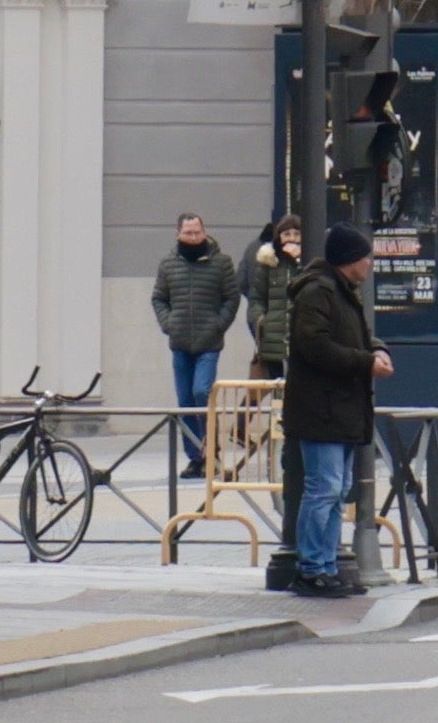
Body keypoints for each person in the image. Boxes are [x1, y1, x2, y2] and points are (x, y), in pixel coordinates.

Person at [284, 221, 393, 596]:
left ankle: (326, 564)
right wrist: (365, 362)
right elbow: (315, 346)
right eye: (367, 258)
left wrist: (377, 349)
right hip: (321, 409)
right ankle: (312, 566)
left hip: (338, 409)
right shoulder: (319, 293)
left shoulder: (342, 292)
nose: (370, 264)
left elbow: (356, 336)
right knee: (324, 489)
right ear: (351, 260)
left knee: (336, 489)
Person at [150, 212, 243, 475]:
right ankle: (195, 456)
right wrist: (168, 323)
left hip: (209, 343)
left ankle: (210, 447)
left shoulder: (221, 263)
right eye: (188, 233)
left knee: (202, 392)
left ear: (204, 231)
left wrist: (218, 324)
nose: (194, 237)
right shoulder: (168, 264)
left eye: (197, 232)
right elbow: (158, 298)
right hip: (180, 342)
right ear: (178, 233)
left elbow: (232, 298)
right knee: (185, 402)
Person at [243, 215, 307, 382]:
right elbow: (256, 298)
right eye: (286, 234)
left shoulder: (309, 263)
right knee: (276, 389)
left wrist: (299, 262)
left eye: (296, 234)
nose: (292, 239)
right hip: (273, 339)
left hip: (302, 338)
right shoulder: (268, 264)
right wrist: (260, 320)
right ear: (279, 237)